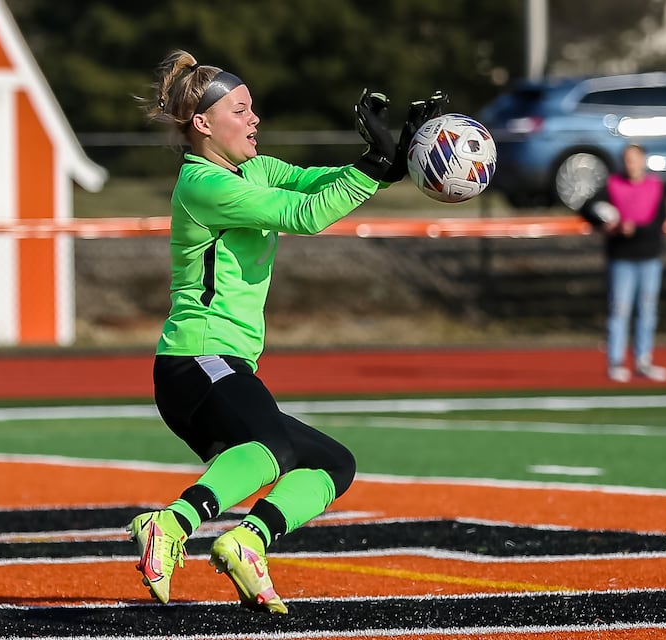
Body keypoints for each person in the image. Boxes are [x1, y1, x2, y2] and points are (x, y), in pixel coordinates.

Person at [127, 49, 446, 613]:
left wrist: (388, 161)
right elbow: (307, 215)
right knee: (270, 445)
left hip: (222, 367)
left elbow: (317, 184)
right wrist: (377, 169)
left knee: (333, 464)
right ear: (203, 125)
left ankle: (248, 542)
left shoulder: (255, 170)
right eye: (241, 110)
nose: (254, 119)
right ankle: (169, 524)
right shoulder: (202, 186)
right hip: (195, 361)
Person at [580, 143, 666, 383]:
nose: (631, 164)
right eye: (627, 159)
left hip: (649, 257)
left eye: (635, 159)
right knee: (619, 310)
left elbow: (659, 222)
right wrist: (605, 223)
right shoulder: (612, 185)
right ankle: (616, 362)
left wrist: (635, 229)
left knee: (647, 311)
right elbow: (587, 208)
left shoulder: (655, 187)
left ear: (643, 161)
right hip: (621, 258)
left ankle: (643, 361)